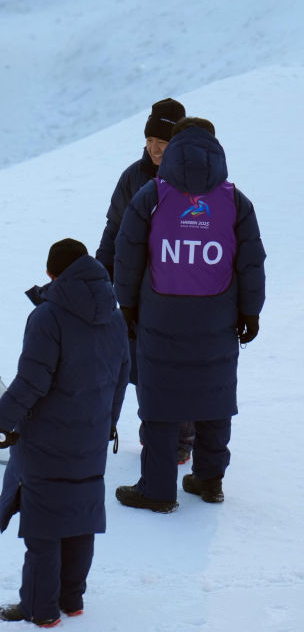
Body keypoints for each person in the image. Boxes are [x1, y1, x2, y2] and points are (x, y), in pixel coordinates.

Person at [113, 118, 266, 513]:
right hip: (217, 321)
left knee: (161, 401)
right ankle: (210, 481)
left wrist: (127, 305)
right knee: (213, 397)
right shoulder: (235, 201)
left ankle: (158, 490)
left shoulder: (150, 195)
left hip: (160, 319)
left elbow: (127, 254)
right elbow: (251, 263)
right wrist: (251, 312)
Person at [0, 239, 130, 627]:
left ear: (52, 274)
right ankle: (72, 599)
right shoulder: (113, 315)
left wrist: (1, 418)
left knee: (44, 526)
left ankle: (40, 609)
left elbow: (33, 380)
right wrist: (107, 423)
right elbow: (121, 377)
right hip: (91, 437)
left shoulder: (48, 317)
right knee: (79, 517)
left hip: (49, 439)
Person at [95, 98, 195, 464]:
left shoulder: (195, 181)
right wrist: (100, 276)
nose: (154, 147)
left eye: (163, 141)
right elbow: (114, 230)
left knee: (177, 366)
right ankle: (159, 433)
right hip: (138, 291)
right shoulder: (133, 177)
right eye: (150, 138)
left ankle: (181, 439)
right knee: (143, 365)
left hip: (183, 292)